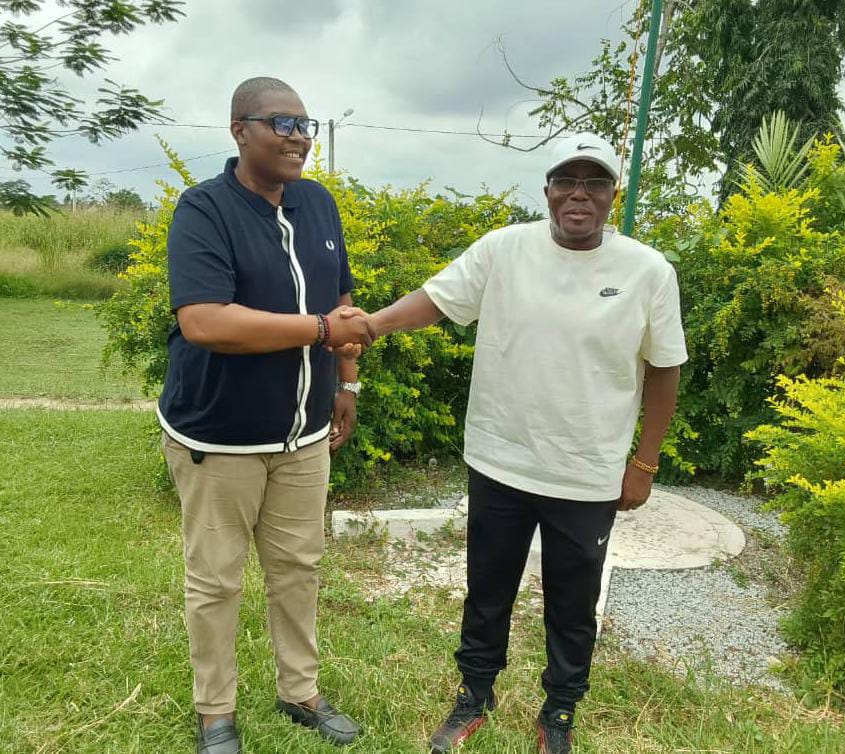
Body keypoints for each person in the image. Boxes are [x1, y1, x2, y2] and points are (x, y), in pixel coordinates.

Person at [362, 134, 688, 754]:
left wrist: (644, 463)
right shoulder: (503, 249)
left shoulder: (648, 271)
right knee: (487, 591)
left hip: (587, 474)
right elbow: (437, 301)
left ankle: (559, 710)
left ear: (613, 194)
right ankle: (474, 694)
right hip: (500, 459)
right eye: (567, 180)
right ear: (547, 190)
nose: (579, 194)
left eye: (595, 182)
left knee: (573, 604)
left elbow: (665, 368)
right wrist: (373, 326)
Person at [157, 76, 373, 754]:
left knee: (297, 566)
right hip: (218, 435)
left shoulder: (317, 203)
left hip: (303, 434)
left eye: (305, 124)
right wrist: (319, 331)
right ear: (239, 131)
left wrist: (348, 381)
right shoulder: (205, 209)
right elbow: (205, 321)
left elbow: (340, 301)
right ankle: (214, 712)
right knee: (216, 579)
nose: (298, 137)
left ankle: (299, 691)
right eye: (282, 123)